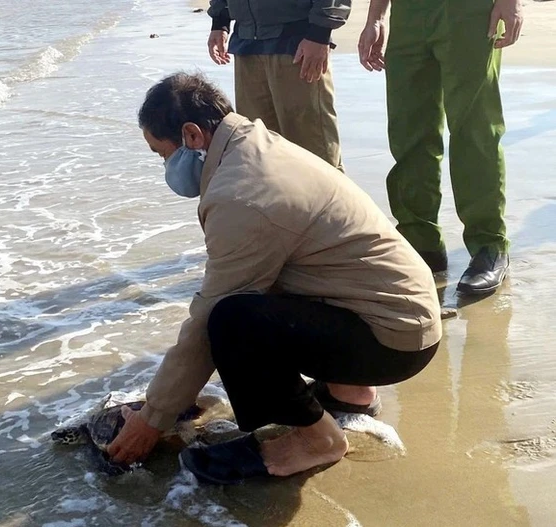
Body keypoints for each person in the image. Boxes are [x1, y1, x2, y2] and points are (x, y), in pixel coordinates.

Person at [106, 72, 442, 484]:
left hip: (393, 341)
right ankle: (351, 392)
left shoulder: (241, 195)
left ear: (192, 135)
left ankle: (318, 441)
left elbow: (209, 317)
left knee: (231, 321)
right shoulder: (254, 143)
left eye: (162, 154)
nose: (165, 167)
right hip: (403, 315)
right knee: (267, 290)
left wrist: (152, 419)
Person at [358, 0, 522, 295]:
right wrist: (376, 16)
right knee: (409, 130)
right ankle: (420, 243)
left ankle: (488, 246)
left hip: (469, 11)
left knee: (474, 130)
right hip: (409, 13)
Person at [206, 0, 351, 171]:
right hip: (246, 43)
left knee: (315, 156)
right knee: (257, 153)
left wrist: (320, 34)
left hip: (298, 44)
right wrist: (220, 21)